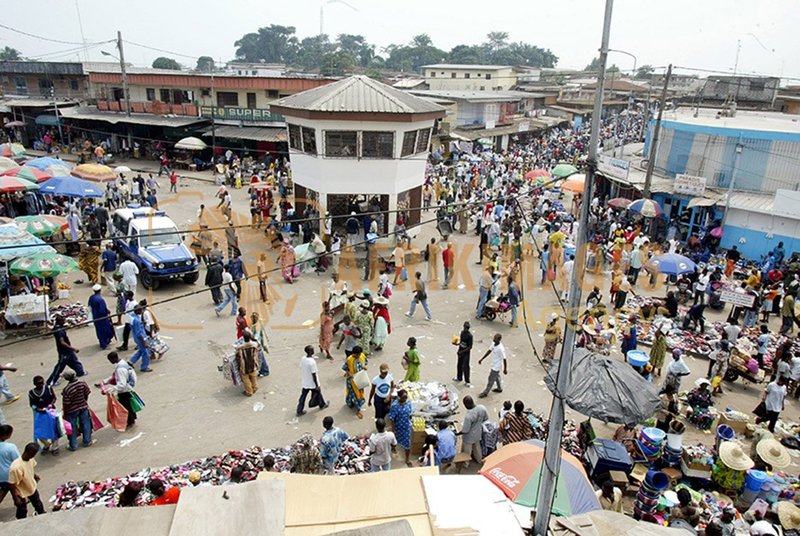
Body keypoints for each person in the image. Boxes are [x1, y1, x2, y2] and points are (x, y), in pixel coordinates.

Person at [8, 443, 45, 519]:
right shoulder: (16, 467)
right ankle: (20, 521)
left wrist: (34, 475)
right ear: (29, 452)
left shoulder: (30, 459)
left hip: (31, 486)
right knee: (22, 509)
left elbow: (30, 467)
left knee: (37, 503)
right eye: (34, 454)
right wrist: (16, 499)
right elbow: (11, 484)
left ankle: (42, 514)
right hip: (21, 492)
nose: (34, 456)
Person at [47, 315, 86, 387]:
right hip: (64, 351)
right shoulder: (59, 331)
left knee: (74, 361)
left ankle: (80, 372)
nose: (65, 321)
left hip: (68, 351)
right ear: (60, 321)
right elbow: (62, 342)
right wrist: (73, 348)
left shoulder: (58, 327)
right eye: (63, 320)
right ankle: (51, 381)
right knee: (60, 367)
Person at [61, 371, 95, 451]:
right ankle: (87, 441)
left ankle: (73, 445)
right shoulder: (82, 383)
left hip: (72, 410)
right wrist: (84, 401)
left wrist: (65, 412)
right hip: (83, 406)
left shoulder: (67, 389)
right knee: (86, 423)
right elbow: (87, 392)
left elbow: (66, 403)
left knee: (71, 427)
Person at [103, 352, 137, 429]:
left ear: (113, 359)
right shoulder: (123, 364)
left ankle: (130, 421)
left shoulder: (120, 369)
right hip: (128, 387)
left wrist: (111, 389)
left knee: (125, 406)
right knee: (128, 405)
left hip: (124, 390)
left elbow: (122, 384)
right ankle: (132, 418)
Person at [29, 376, 59, 455]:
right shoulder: (31, 393)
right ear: (34, 384)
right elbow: (32, 404)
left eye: (42, 383)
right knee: (39, 432)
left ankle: (55, 446)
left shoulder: (48, 388)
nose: (41, 385)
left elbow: (54, 398)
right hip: (40, 414)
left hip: (51, 412)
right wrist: (38, 409)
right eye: (39, 383)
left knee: (54, 430)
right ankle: (47, 444)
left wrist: (50, 405)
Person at [297, 345, 329, 417]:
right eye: (313, 349)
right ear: (310, 351)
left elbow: (301, 367)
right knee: (318, 392)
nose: (314, 350)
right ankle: (322, 404)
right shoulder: (312, 362)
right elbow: (314, 374)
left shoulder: (303, 358)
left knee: (303, 396)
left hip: (305, 381)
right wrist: (317, 385)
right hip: (312, 383)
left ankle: (299, 410)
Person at [387, 389, 413, 467]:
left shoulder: (408, 403)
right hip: (398, 427)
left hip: (406, 427)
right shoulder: (394, 406)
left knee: (407, 444)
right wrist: (393, 429)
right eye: (403, 397)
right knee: (394, 439)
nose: (404, 399)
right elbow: (392, 418)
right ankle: (393, 447)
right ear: (398, 397)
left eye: (406, 397)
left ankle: (407, 459)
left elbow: (410, 412)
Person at [459, 396, 488, 465]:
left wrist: (458, 433)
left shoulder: (468, 416)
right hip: (478, 432)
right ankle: (479, 460)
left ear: (466, 405)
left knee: (467, 451)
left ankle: (466, 463)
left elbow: (465, 430)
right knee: (477, 447)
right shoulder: (482, 408)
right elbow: (486, 418)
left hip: (469, 437)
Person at [478, 333, 508, 398]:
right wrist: (482, 359)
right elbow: (489, 351)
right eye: (494, 338)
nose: (494, 339)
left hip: (496, 366)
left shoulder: (501, 349)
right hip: (493, 364)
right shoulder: (493, 343)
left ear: (499, 340)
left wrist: (505, 369)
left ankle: (485, 393)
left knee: (491, 379)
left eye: (495, 338)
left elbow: (504, 359)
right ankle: (499, 388)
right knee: (496, 376)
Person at [88, 284, 116, 350]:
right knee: (105, 330)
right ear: (100, 290)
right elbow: (102, 311)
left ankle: (104, 342)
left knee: (99, 330)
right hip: (102, 318)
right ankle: (104, 344)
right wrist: (107, 311)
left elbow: (89, 305)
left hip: (95, 316)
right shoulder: (100, 300)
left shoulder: (92, 297)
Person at [343, 346, 368, 418]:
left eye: (359, 354)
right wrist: (349, 373)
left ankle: (358, 408)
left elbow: (365, 362)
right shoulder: (349, 359)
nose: (358, 356)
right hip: (352, 380)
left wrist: (365, 366)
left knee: (359, 393)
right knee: (352, 392)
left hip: (360, 378)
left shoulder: (362, 356)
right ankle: (350, 403)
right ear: (354, 353)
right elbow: (345, 367)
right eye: (357, 354)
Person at [128, 305, 153, 373]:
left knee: (141, 350)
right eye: (141, 310)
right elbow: (139, 333)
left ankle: (131, 361)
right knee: (146, 353)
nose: (142, 311)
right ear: (138, 310)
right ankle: (144, 367)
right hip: (141, 338)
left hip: (136, 337)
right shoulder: (136, 321)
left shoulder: (133, 317)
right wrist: (144, 342)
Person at [0, 424, 20, 507]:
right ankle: (18, 500)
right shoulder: (10, 447)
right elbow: (18, 461)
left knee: (10, 488)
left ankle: (17, 500)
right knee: (6, 489)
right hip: (7, 474)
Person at [236, 331, 260, 397]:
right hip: (253, 364)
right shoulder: (255, 344)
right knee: (253, 375)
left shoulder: (240, 347)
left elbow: (237, 356)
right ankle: (254, 387)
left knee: (245, 378)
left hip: (244, 366)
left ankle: (249, 392)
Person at [454, 321, 473, 387]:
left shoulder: (470, 336)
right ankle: (459, 377)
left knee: (465, 366)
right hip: (461, 350)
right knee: (459, 365)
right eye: (465, 328)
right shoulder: (462, 333)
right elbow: (461, 342)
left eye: (467, 328)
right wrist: (457, 344)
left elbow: (470, 347)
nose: (465, 329)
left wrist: (462, 351)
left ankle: (467, 381)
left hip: (466, 353)